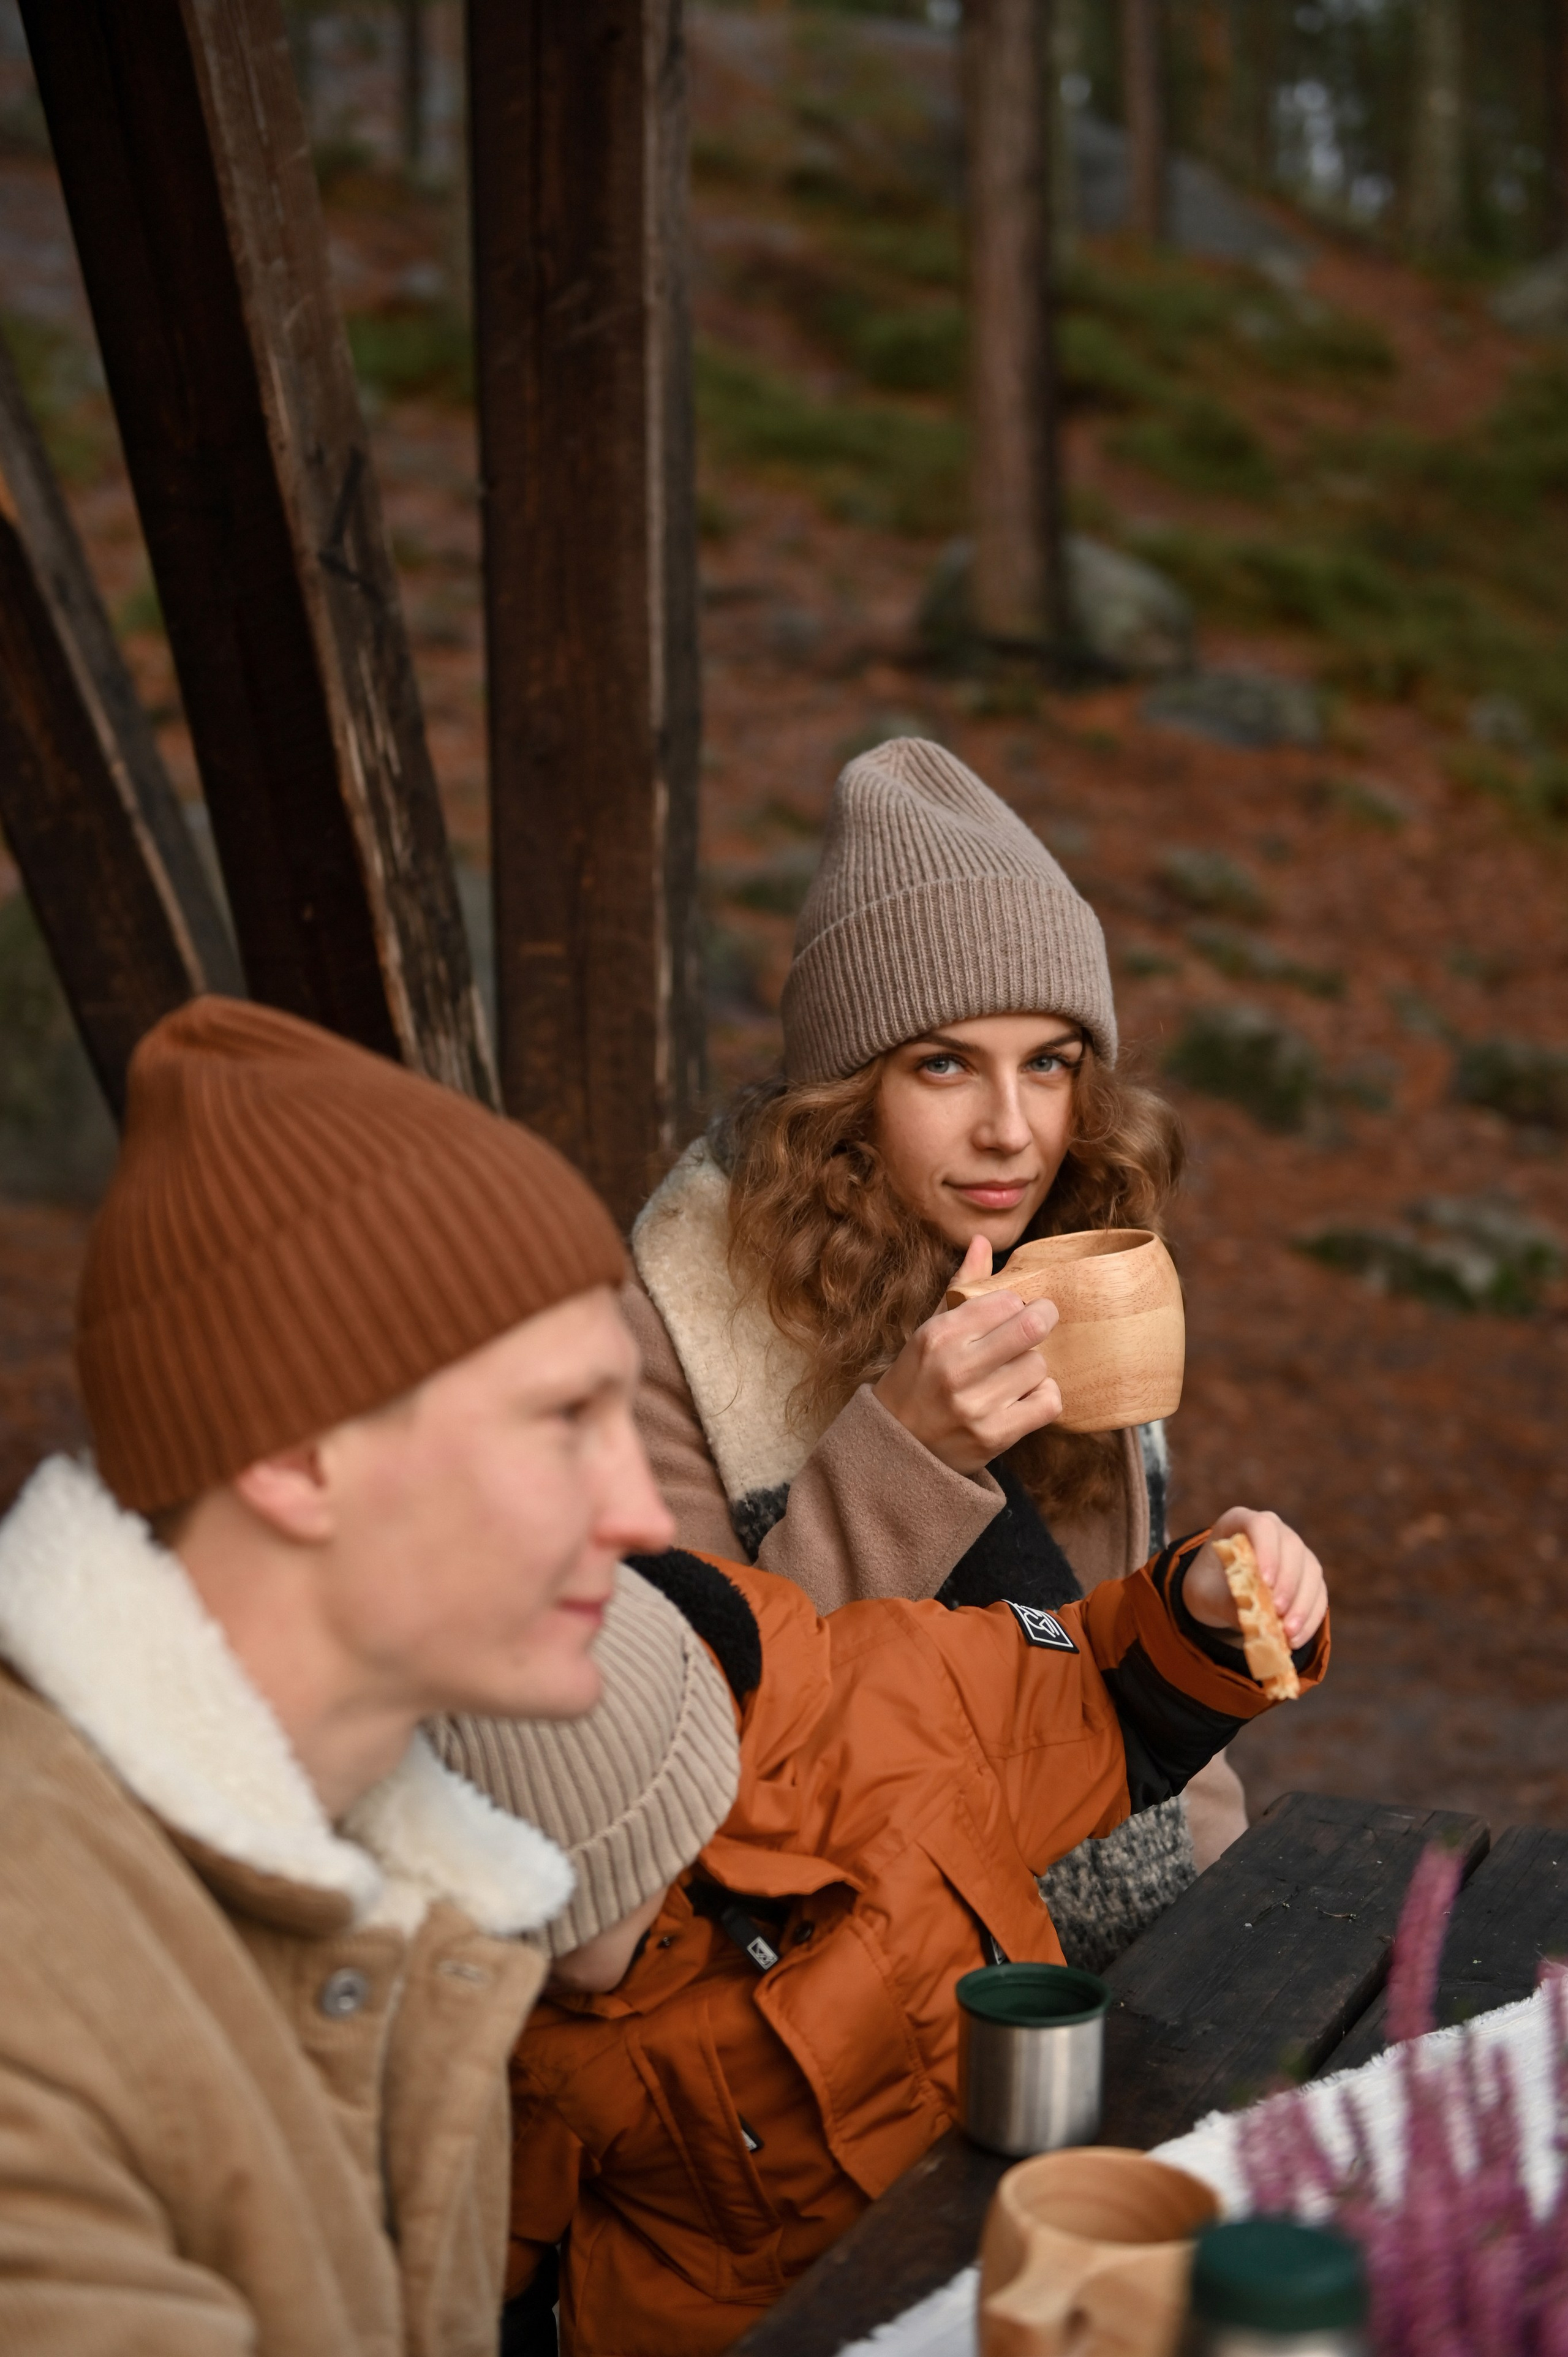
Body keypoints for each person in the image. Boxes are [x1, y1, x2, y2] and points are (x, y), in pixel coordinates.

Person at [0, 997, 740, 2356]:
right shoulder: (30, 1998)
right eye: (563, 1420)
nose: (641, 1514)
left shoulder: (414, 1898)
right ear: (290, 1451)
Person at [625, 734, 1243, 1965]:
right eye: (944, 1064)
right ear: (844, 1092)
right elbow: (695, 1756)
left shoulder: (1070, 1258)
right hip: (835, 1990)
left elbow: (1109, 1648)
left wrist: (1209, 1626)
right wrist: (904, 1457)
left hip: (1121, 1953)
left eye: (1049, 1065)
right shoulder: (674, 1326)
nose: (1011, 1131)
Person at [448, 1508, 1330, 2357]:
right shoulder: (499, 2017)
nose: (543, 1968)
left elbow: (1102, 1691)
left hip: (1034, 2263)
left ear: (675, 1814)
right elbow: (474, 2276)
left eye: (568, 1917)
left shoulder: (905, 1707)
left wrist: (1204, 1615)